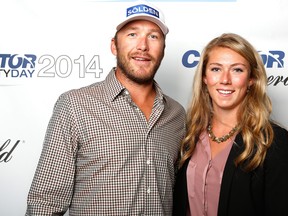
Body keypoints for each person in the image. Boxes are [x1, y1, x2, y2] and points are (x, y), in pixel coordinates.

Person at [26, 0, 186, 215]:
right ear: (114, 46)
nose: (143, 46)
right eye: (132, 34)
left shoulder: (176, 114)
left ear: (163, 49)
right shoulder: (75, 105)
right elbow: (45, 202)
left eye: (153, 36)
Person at [173, 33, 288, 216]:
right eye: (216, 69)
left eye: (237, 70)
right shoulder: (188, 135)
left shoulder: (274, 142)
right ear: (204, 77)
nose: (225, 79)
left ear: (251, 79)